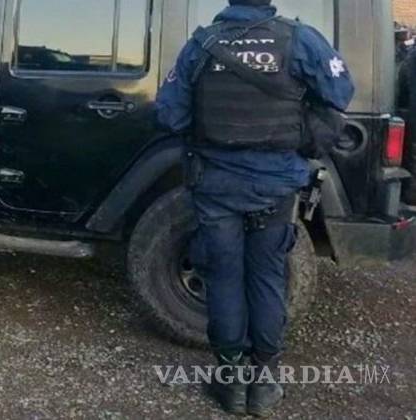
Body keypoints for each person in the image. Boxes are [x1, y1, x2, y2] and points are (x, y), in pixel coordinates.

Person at [156, 0, 354, 417]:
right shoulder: (299, 38)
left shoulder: (202, 44)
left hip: (216, 185)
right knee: (267, 277)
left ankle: (231, 383)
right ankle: (263, 384)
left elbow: (171, 114)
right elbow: (340, 92)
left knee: (224, 277)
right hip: (275, 185)